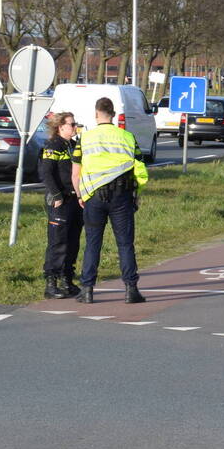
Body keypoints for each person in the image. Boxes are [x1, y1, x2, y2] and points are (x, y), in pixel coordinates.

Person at [71, 97, 149, 304]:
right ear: (113, 115)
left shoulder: (85, 138)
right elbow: (140, 168)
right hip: (121, 196)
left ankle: (87, 290)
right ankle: (131, 290)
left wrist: (80, 195)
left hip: (94, 197)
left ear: (96, 114)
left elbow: (75, 173)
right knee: (125, 244)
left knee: (92, 244)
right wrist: (136, 192)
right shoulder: (127, 137)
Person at [38, 111, 83, 299]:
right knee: (58, 242)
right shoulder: (53, 145)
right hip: (60, 200)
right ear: (60, 127)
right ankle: (51, 283)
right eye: (72, 124)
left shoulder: (73, 145)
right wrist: (56, 194)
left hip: (75, 199)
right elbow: (46, 172)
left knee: (73, 241)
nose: (75, 127)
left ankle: (67, 280)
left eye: (75, 124)